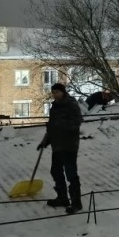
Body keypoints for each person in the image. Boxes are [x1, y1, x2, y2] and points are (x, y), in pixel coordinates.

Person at [38, 83, 84, 214]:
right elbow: (51, 128)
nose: (55, 94)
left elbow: (77, 121)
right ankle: (63, 198)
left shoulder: (71, 104)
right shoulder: (54, 108)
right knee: (55, 171)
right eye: (53, 92)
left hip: (69, 145)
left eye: (57, 92)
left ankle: (76, 203)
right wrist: (45, 141)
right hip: (57, 145)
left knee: (71, 173)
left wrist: (60, 125)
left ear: (63, 92)